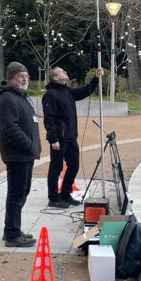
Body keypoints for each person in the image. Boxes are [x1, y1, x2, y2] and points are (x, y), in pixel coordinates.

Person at [42, 66, 102, 208]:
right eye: (62, 71)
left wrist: (96, 78)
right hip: (59, 138)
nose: (65, 72)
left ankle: (65, 193)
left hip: (71, 137)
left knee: (74, 166)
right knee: (56, 168)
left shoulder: (67, 91)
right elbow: (49, 119)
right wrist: (53, 139)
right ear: (55, 78)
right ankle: (53, 198)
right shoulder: (50, 95)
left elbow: (84, 91)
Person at [0, 62, 41, 248]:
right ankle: (12, 234)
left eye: (26, 75)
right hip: (18, 155)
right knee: (16, 195)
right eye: (20, 76)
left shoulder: (21, 97)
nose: (24, 79)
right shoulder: (8, 99)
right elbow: (10, 128)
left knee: (22, 192)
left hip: (26, 154)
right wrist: (28, 145)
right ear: (10, 79)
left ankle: (12, 229)